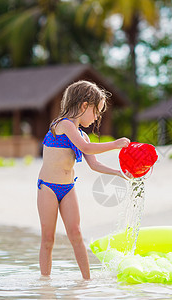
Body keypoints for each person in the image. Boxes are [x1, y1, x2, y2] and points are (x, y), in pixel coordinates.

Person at [37, 80, 130, 279]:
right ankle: (45, 284)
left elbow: (94, 164)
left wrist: (119, 172)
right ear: (84, 106)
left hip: (68, 188)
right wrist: (115, 144)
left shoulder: (82, 135)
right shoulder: (63, 125)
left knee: (76, 234)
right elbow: (86, 148)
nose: (97, 118)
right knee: (48, 239)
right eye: (97, 112)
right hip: (48, 188)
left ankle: (86, 280)